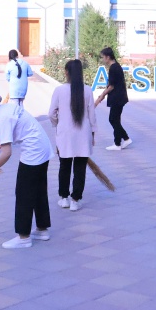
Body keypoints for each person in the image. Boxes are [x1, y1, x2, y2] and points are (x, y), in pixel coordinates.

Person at [0, 92, 52, 248]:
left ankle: (23, 237)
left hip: (34, 153)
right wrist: (2, 142)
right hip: (42, 148)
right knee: (38, 190)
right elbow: (18, 133)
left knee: (24, 193)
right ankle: (42, 230)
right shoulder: (7, 109)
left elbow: (7, 153)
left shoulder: (2, 118)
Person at [49, 59, 96, 210]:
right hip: (83, 134)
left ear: (67, 72)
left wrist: (58, 123)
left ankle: (64, 198)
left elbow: (51, 113)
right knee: (80, 168)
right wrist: (93, 132)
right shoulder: (88, 90)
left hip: (65, 134)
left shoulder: (59, 90)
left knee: (65, 166)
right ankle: (75, 199)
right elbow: (92, 115)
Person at [94, 47, 131, 150]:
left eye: (103, 57)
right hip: (119, 98)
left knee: (112, 119)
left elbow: (111, 86)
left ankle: (124, 139)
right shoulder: (116, 66)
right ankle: (119, 143)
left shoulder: (114, 68)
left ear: (108, 57)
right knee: (116, 120)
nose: (102, 59)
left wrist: (101, 96)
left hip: (117, 98)